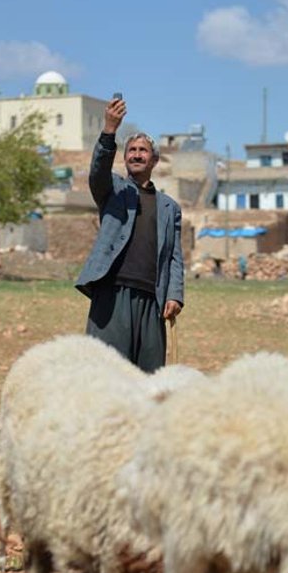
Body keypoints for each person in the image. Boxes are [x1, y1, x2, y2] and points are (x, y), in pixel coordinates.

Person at [75, 96, 184, 372]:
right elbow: (98, 171)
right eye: (131, 150)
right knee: (107, 371)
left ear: (154, 159)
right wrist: (110, 129)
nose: (136, 154)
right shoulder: (112, 190)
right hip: (113, 295)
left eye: (143, 150)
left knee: (149, 376)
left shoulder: (170, 207)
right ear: (124, 159)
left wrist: (175, 294)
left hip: (152, 299)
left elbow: (174, 257)